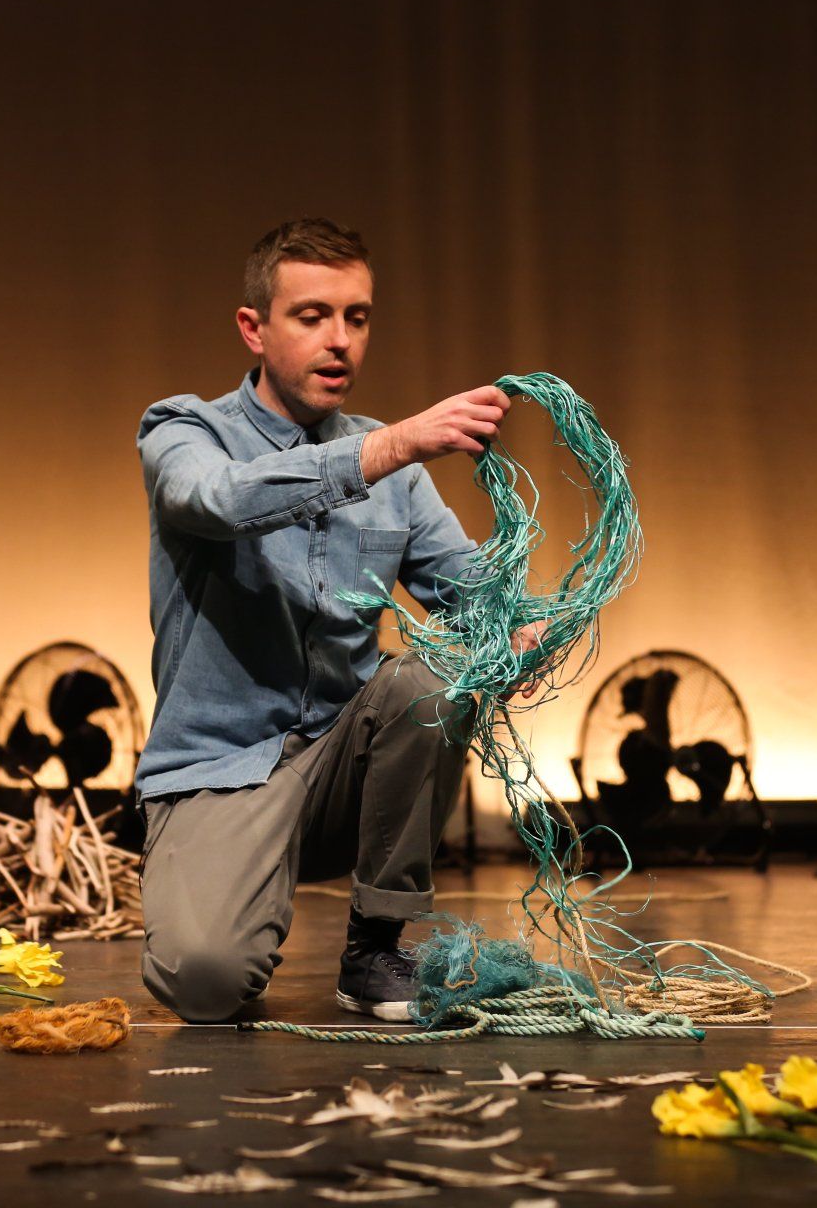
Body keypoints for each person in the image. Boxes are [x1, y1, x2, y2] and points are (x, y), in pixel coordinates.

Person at [132, 217, 540, 1024]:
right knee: (206, 983)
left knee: (439, 669)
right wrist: (387, 448)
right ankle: (236, 892)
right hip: (222, 767)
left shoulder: (395, 466)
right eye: (312, 316)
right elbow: (216, 501)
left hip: (344, 769)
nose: (340, 340)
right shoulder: (183, 431)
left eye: (357, 318)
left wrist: (520, 630)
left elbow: (472, 594)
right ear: (254, 328)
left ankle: (376, 943)